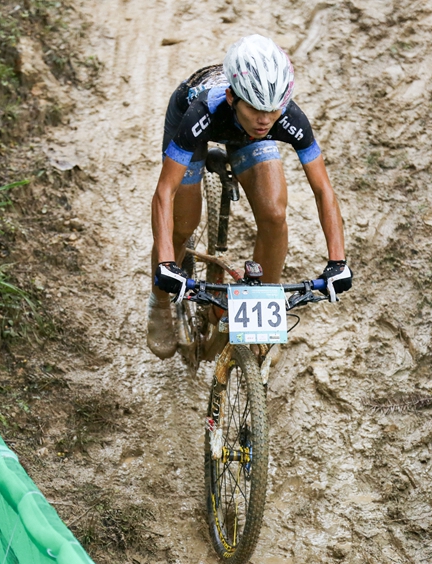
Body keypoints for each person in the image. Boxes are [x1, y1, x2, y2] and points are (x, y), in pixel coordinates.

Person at [148, 34, 352, 359]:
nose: (265, 119)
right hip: (199, 128)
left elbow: (323, 189)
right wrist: (166, 264)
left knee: (274, 214)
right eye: (257, 109)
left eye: (273, 110)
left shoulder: (282, 117)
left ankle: (262, 313)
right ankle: (158, 302)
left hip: (246, 137)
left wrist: (338, 262)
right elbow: (164, 192)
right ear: (232, 97)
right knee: (183, 224)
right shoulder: (201, 110)